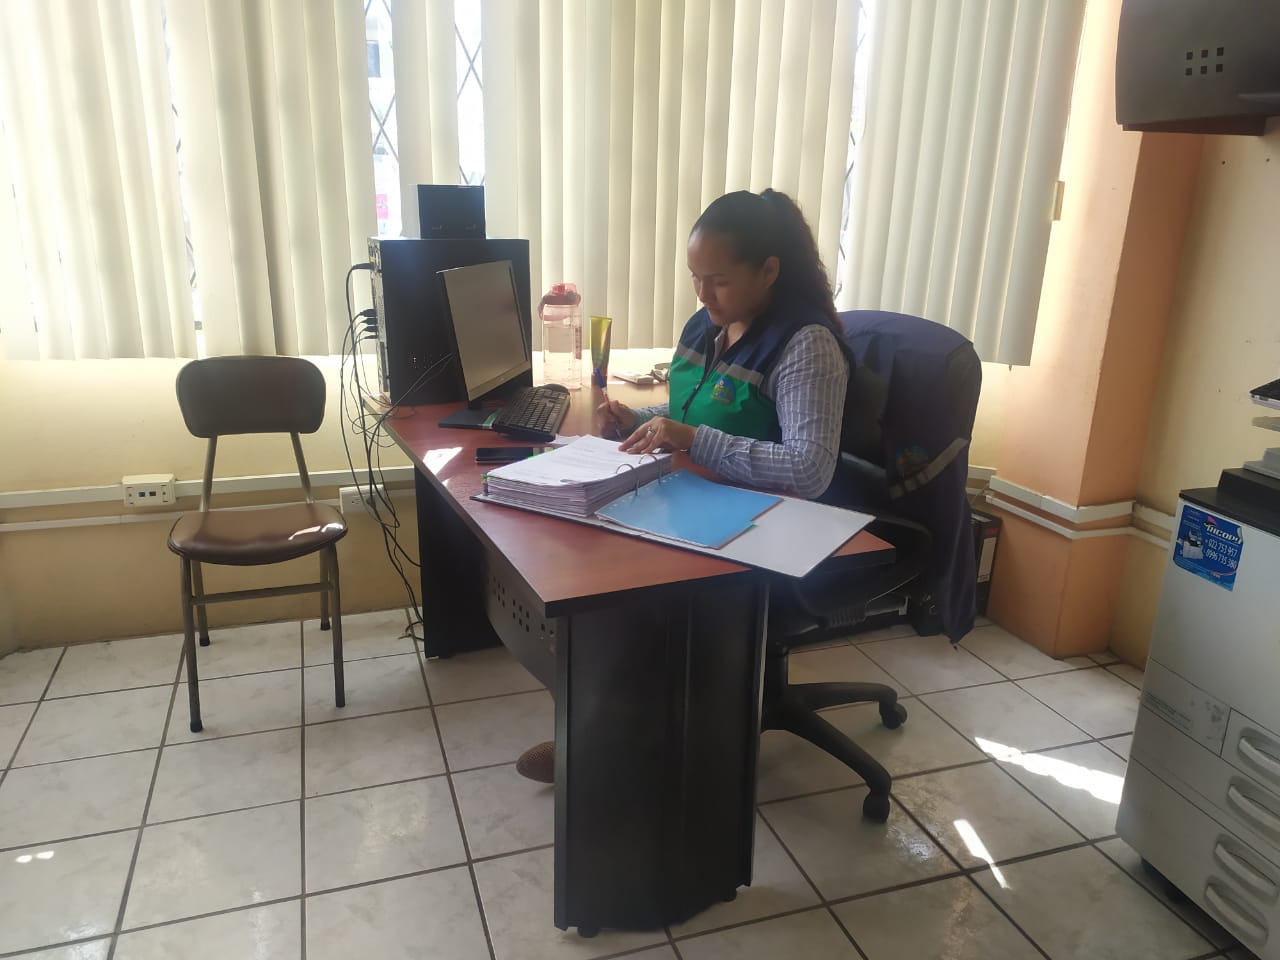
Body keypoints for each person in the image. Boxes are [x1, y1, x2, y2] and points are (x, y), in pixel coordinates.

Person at [516, 188, 851, 784]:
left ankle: (614, 746)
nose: (702, 294)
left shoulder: (805, 345)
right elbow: (690, 415)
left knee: (636, 603)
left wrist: (690, 439)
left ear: (768, 271)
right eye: (696, 277)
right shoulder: (706, 325)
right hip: (698, 497)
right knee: (596, 569)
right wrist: (642, 422)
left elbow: (809, 469)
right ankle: (607, 729)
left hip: (768, 526)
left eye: (718, 280)